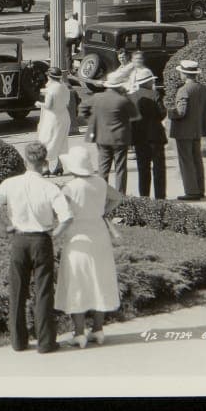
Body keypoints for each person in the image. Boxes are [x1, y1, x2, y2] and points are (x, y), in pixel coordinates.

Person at [0, 141, 73, 354]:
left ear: (25, 161)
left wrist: (5, 226)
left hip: (19, 239)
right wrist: (55, 233)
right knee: (43, 292)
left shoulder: (11, 183)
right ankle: (45, 342)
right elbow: (67, 217)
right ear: (45, 163)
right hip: (42, 240)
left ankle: (18, 341)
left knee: (17, 291)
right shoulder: (50, 187)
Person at [54, 146, 122, 348]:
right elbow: (118, 197)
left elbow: (60, 212)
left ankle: (79, 332)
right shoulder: (100, 182)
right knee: (99, 279)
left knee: (78, 281)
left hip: (77, 237)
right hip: (99, 235)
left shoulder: (70, 187)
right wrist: (101, 211)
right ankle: (98, 330)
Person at [168, 59, 206, 201]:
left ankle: (191, 191)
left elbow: (181, 112)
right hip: (197, 129)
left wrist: (169, 112)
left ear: (184, 74)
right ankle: (200, 189)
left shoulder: (183, 90)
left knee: (186, 161)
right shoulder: (204, 89)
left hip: (184, 130)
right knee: (197, 160)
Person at [86, 78, 141, 194]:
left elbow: (82, 108)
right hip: (119, 137)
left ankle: (102, 193)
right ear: (120, 86)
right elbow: (136, 116)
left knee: (103, 167)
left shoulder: (97, 97)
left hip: (102, 136)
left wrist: (93, 119)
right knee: (120, 168)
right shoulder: (123, 100)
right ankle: (120, 194)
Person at [130, 77, 168, 199]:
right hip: (155, 135)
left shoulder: (131, 96)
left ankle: (144, 196)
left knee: (143, 168)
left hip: (139, 136)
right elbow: (162, 113)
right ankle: (160, 197)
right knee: (159, 168)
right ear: (146, 82)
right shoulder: (155, 94)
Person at [36, 67, 72, 176]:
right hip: (64, 116)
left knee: (46, 141)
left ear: (49, 77)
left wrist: (39, 104)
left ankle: (45, 168)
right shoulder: (64, 87)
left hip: (52, 118)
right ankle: (59, 167)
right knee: (60, 141)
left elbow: (49, 105)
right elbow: (65, 101)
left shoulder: (51, 89)